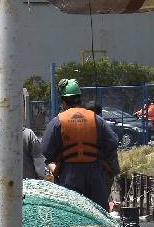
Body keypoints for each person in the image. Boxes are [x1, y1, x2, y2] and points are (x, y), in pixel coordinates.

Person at [41, 79, 118, 210]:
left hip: (69, 176)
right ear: (80, 99)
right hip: (95, 174)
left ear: (63, 101)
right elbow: (113, 142)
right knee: (98, 213)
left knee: (72, 213)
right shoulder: (96, 119)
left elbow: (46, 150)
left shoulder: (57, 121)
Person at [90, 103, 121, 203]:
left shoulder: (99, 123)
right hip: (104, 168)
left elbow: (113, 142)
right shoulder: (101, 123)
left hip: (105, 168)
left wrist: (100, 156)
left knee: (99, 199)